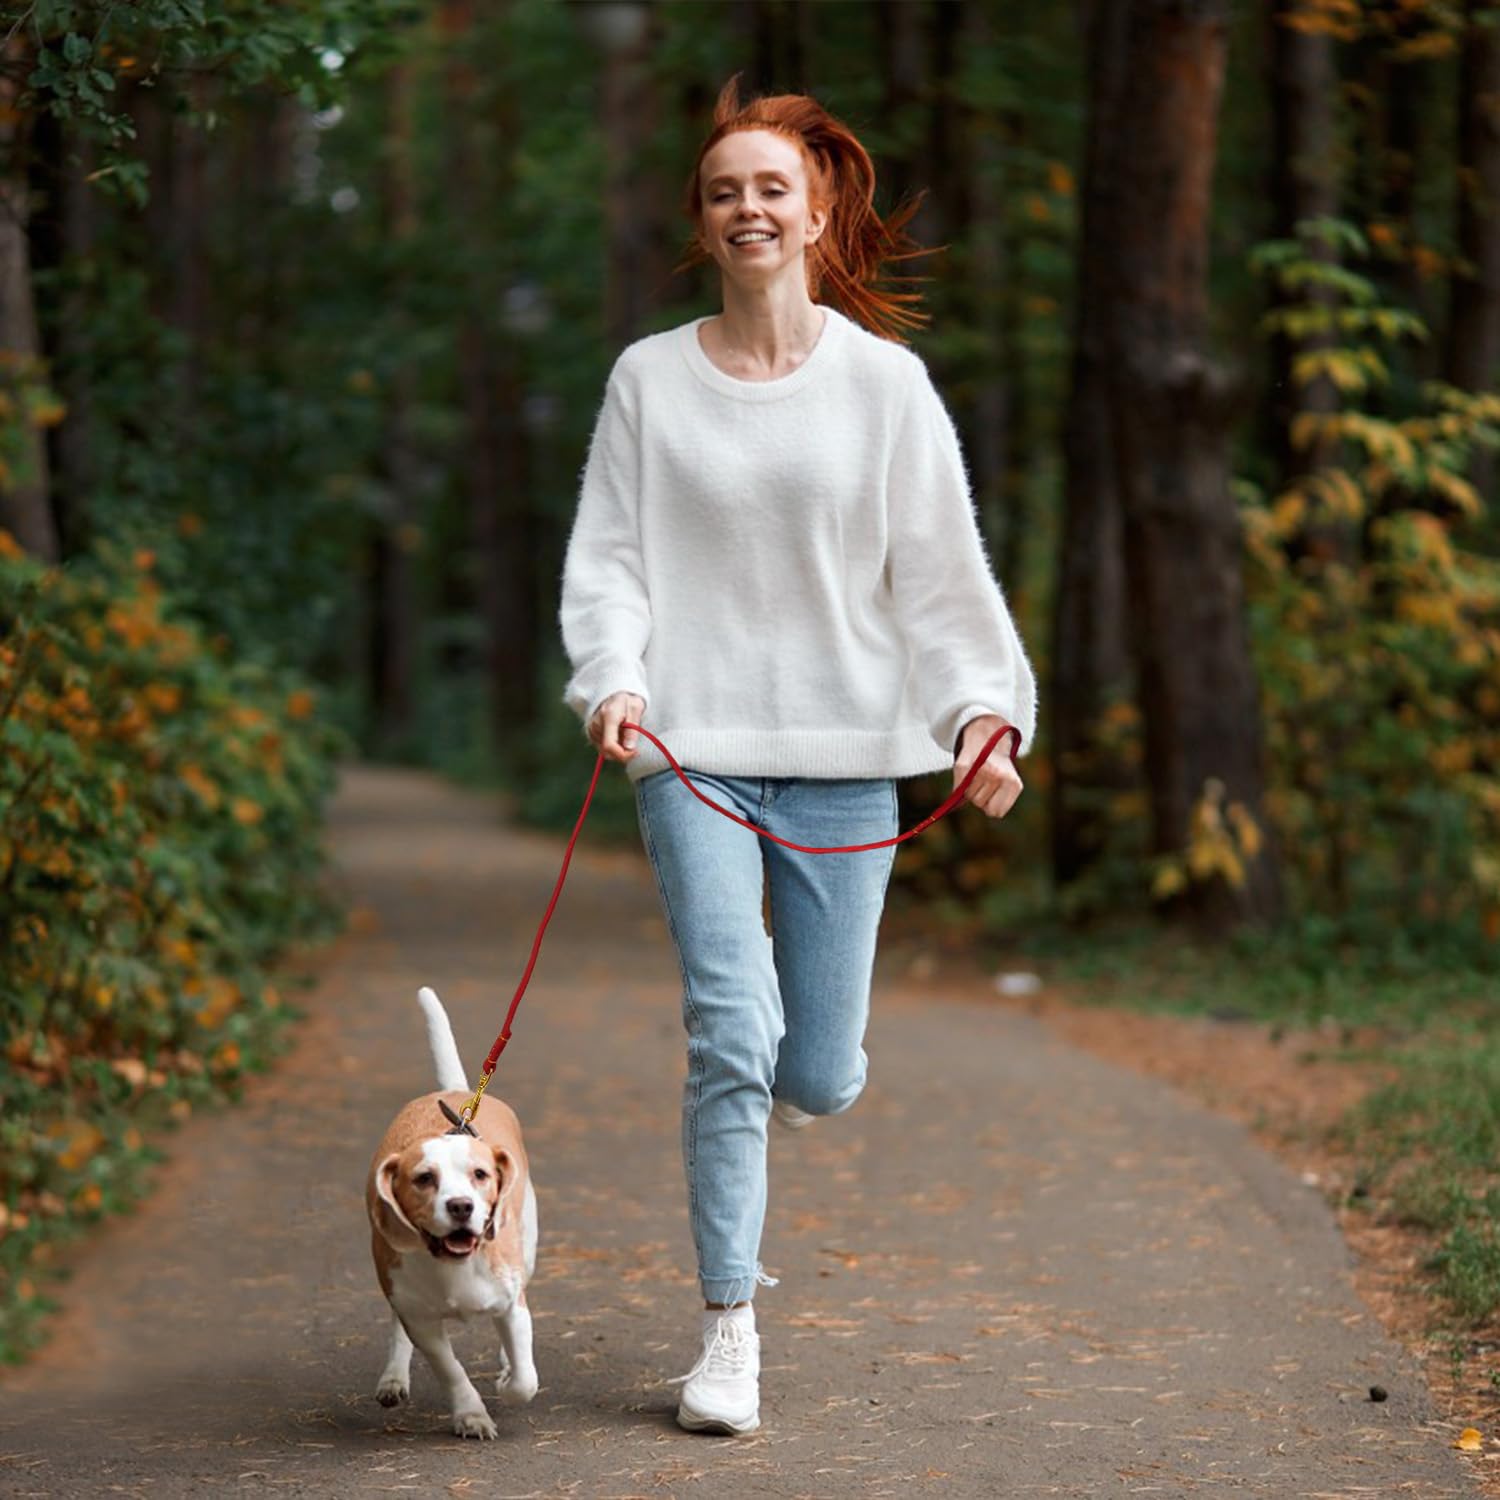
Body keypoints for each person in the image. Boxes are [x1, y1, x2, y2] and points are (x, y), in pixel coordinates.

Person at [558, 75, 1037, 1437]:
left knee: (814, 1069)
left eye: (772, 187)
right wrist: (618, 680)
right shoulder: (649, 378)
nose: (748, 207)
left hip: (845, 756)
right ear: (702, 225)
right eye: (724, 192)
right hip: (689, 746)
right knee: (729, 1028)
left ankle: (790, 1045)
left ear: (819, 211)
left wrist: (982, 718)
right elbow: (610, 563)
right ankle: (727, 1336)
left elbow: (940, 577)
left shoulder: (885, 386)